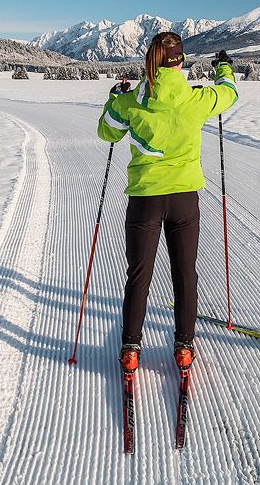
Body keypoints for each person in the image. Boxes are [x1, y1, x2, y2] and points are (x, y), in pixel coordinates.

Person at [97, 32, 237, 375]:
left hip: (145, 198)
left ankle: (131, 348)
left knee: (139, 274)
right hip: (185, 198)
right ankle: (184, 347)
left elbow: (107, 132)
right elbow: (230, 94)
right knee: (185, 273)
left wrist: (113, 98)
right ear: (181, 60)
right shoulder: (197, 99)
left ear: (151, 60)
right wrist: (224, 69)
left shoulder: (130, 101)